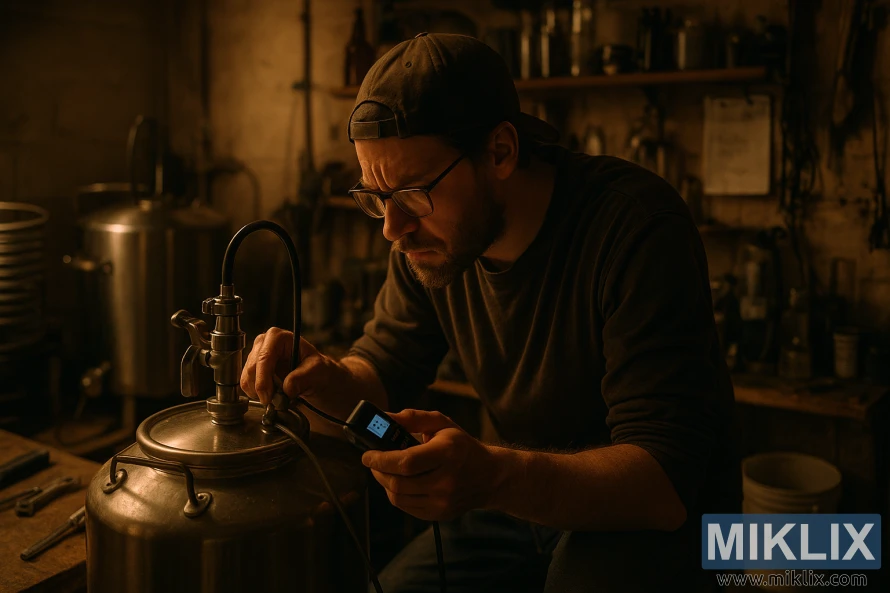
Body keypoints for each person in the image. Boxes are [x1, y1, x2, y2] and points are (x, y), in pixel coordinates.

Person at [241, 32, 739, 593]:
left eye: (411, 192)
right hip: (520, 505)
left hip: (654, 520)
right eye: (376, 196)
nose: (391, 227)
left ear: (500, 151)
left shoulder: (634, 228)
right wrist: (328, 379)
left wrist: (494, 476)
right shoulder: (428, 244)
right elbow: (384, 364)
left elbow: (662, 484)